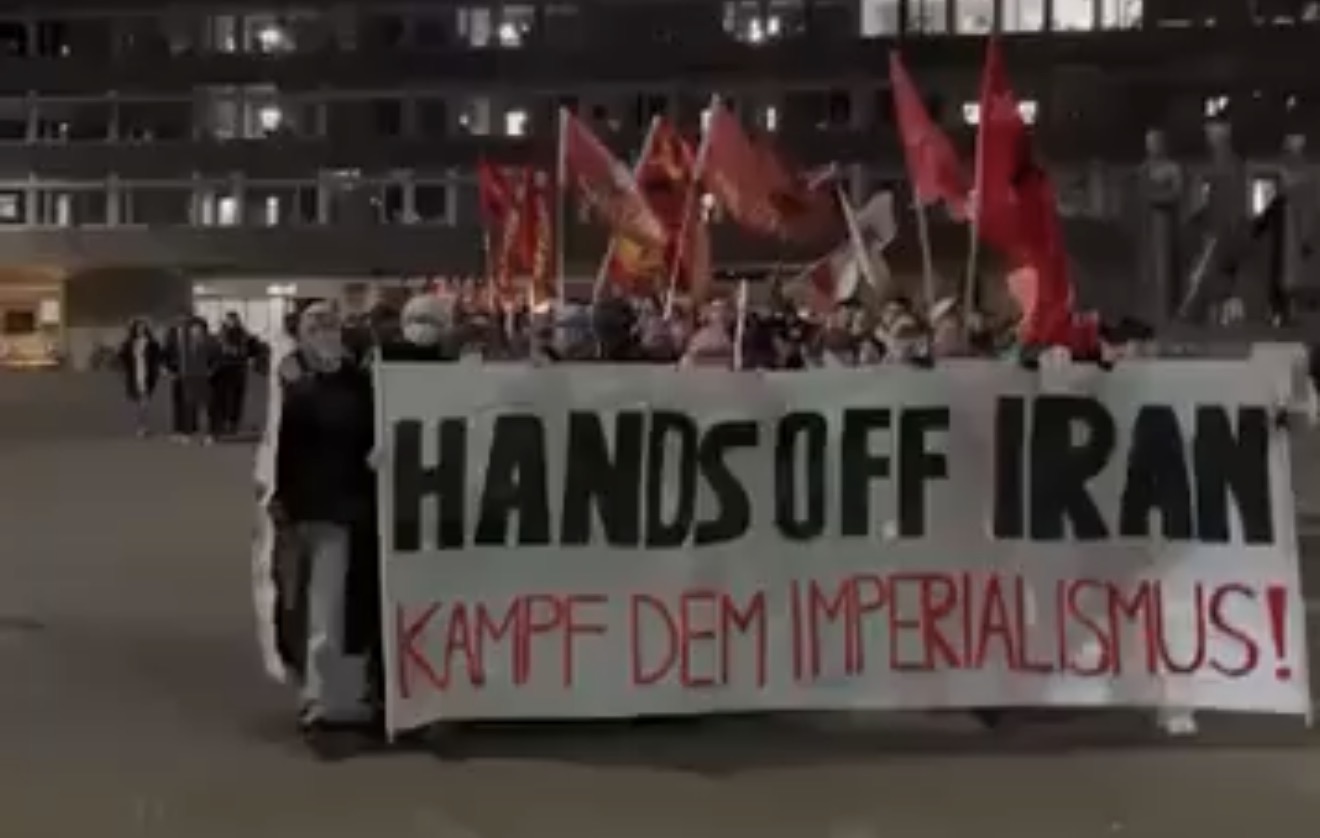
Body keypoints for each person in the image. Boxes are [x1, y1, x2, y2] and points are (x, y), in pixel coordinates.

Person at [270, 302, 380, 758]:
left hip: (338, 510)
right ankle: (318, 692)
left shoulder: (359, 385)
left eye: (330, 323)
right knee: (300, 608)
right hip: (301, 512)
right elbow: (278, 451)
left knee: (327, 609)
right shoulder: (293, 386)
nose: (324, 332)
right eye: (314, 325)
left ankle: (323, 697)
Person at [163, 315, 215, 443]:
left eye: (197, 328)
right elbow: (172, 355)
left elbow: (217, 358)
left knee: (204, 407)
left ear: (202, 329)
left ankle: (208, 434)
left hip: (203, 378)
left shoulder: (209, 342)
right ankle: (186, 433)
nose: (194, 330)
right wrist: (171, 370)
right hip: (187, 377)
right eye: (192, 328)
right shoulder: (184, 342)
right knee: (187, 405)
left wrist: (211, 370)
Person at [211, 311, 256, 437]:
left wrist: (237, 352)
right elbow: (218, 349)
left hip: (238, 369)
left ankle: (233, 423)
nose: (229, 322)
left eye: (231, 320)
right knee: (225, 397)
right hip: (225, 369)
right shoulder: (222, 334)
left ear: (236, 321)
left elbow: (249, 350)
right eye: (228, 320)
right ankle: (225, 422)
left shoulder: (243, 334)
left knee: (236, 397)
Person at [117, 318, 162, 437]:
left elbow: (158, 358)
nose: (140, 330)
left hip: (147, 374)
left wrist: (157, 370)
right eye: (138, 328)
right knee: (139, 402)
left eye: (142, 328)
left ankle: (143, 427)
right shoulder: (129, 343)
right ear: (135, 329)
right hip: (135, 373)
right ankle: (141, 426)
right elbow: (121, 357)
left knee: (144, 401)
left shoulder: (152, 343)